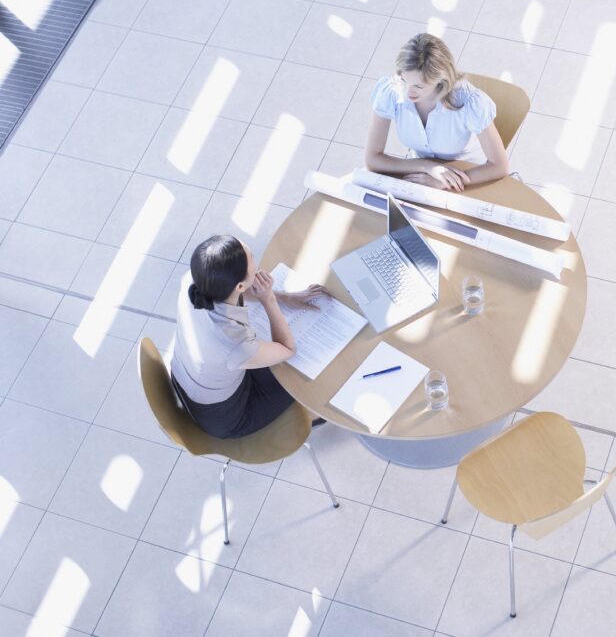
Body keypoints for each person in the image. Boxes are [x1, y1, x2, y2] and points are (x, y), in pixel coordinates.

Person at [170, 235, 327, 439]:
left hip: (191, 379)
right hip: (227, 416)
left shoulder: (195, 279)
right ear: (240, 286)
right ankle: (312, 416)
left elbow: (232, 292)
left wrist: (285, 297)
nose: (255, 259)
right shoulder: (234, 343)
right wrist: (269, 299)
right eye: (252, 257)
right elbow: (288, 349)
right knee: (303, 376)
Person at [365, 33, 510, 191]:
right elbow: (372, 160)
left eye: (419, 86)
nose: (408, 92)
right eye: (404, 80)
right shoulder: (391, 91)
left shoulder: (470, 102)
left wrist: (443, 183)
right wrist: (428, 167)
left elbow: (499, 166)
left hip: (469, 176)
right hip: (423, 174)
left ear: (440, 81)